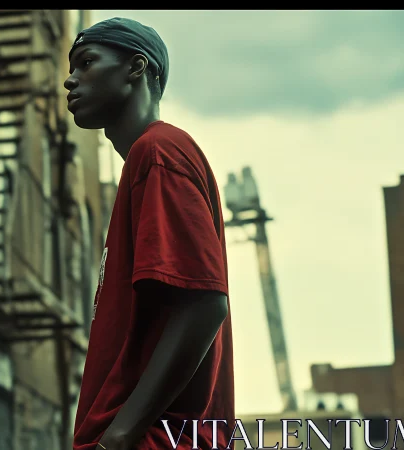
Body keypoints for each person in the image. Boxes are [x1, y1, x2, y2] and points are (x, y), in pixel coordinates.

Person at [65, 17, 235, 450]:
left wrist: (121, 434)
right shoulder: (147, 163)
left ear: (136, 68)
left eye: (86, 62)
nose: (70, 80)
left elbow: (204, 303)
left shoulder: (158, 152)